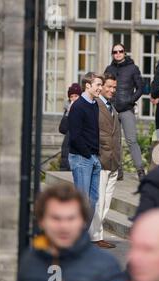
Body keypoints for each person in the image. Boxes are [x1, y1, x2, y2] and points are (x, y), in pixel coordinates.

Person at [14, 184, 126, 281]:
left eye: (71, 218)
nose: (64, 226)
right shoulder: (29, 260)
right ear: (41, 221)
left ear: (83, 221)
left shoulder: (105, 267)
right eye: (56, 218)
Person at [104, 43, 145, 180]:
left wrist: (131, 100)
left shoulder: (133, 68)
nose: (118, 54)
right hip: (112, 109)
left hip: (127, 109)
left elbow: (141, 88)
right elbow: (105, 88)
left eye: (120, 51)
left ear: (124, 52)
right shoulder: (109, 69)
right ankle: (118, 171)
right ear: (112, 54)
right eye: (115, 52)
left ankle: (140, 170)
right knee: (115, 141)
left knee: (131, 140)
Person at [89, 73, 120, 249]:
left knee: (106, 201)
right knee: (99, 200)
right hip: (101, 159)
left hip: (113, 160)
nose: (111, 90)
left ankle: (96, 233)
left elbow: (117, 134)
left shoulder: (111, 106)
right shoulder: (96, 104)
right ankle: (95, 236)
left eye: (114, 87)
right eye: (108, 86)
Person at [68, 72, 103, 224]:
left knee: (93, 199)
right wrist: (88, 155)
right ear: (88, 86)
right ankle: (77, 239)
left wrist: (95, 156)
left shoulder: (94, 104)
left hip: (93, 157)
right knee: (83, 201)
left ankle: (81, 236)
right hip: (82, 158)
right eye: (98, 85)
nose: (100, 88)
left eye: (101, 85)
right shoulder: (78, 106)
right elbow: (75, 136)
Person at [59, 83, 82, 171]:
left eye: (76, 96)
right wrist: (68, 113)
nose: (73, 98)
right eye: (71, 96)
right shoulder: (68, 109)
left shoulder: (84, 109)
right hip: (67, 148)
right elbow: (62, 129)